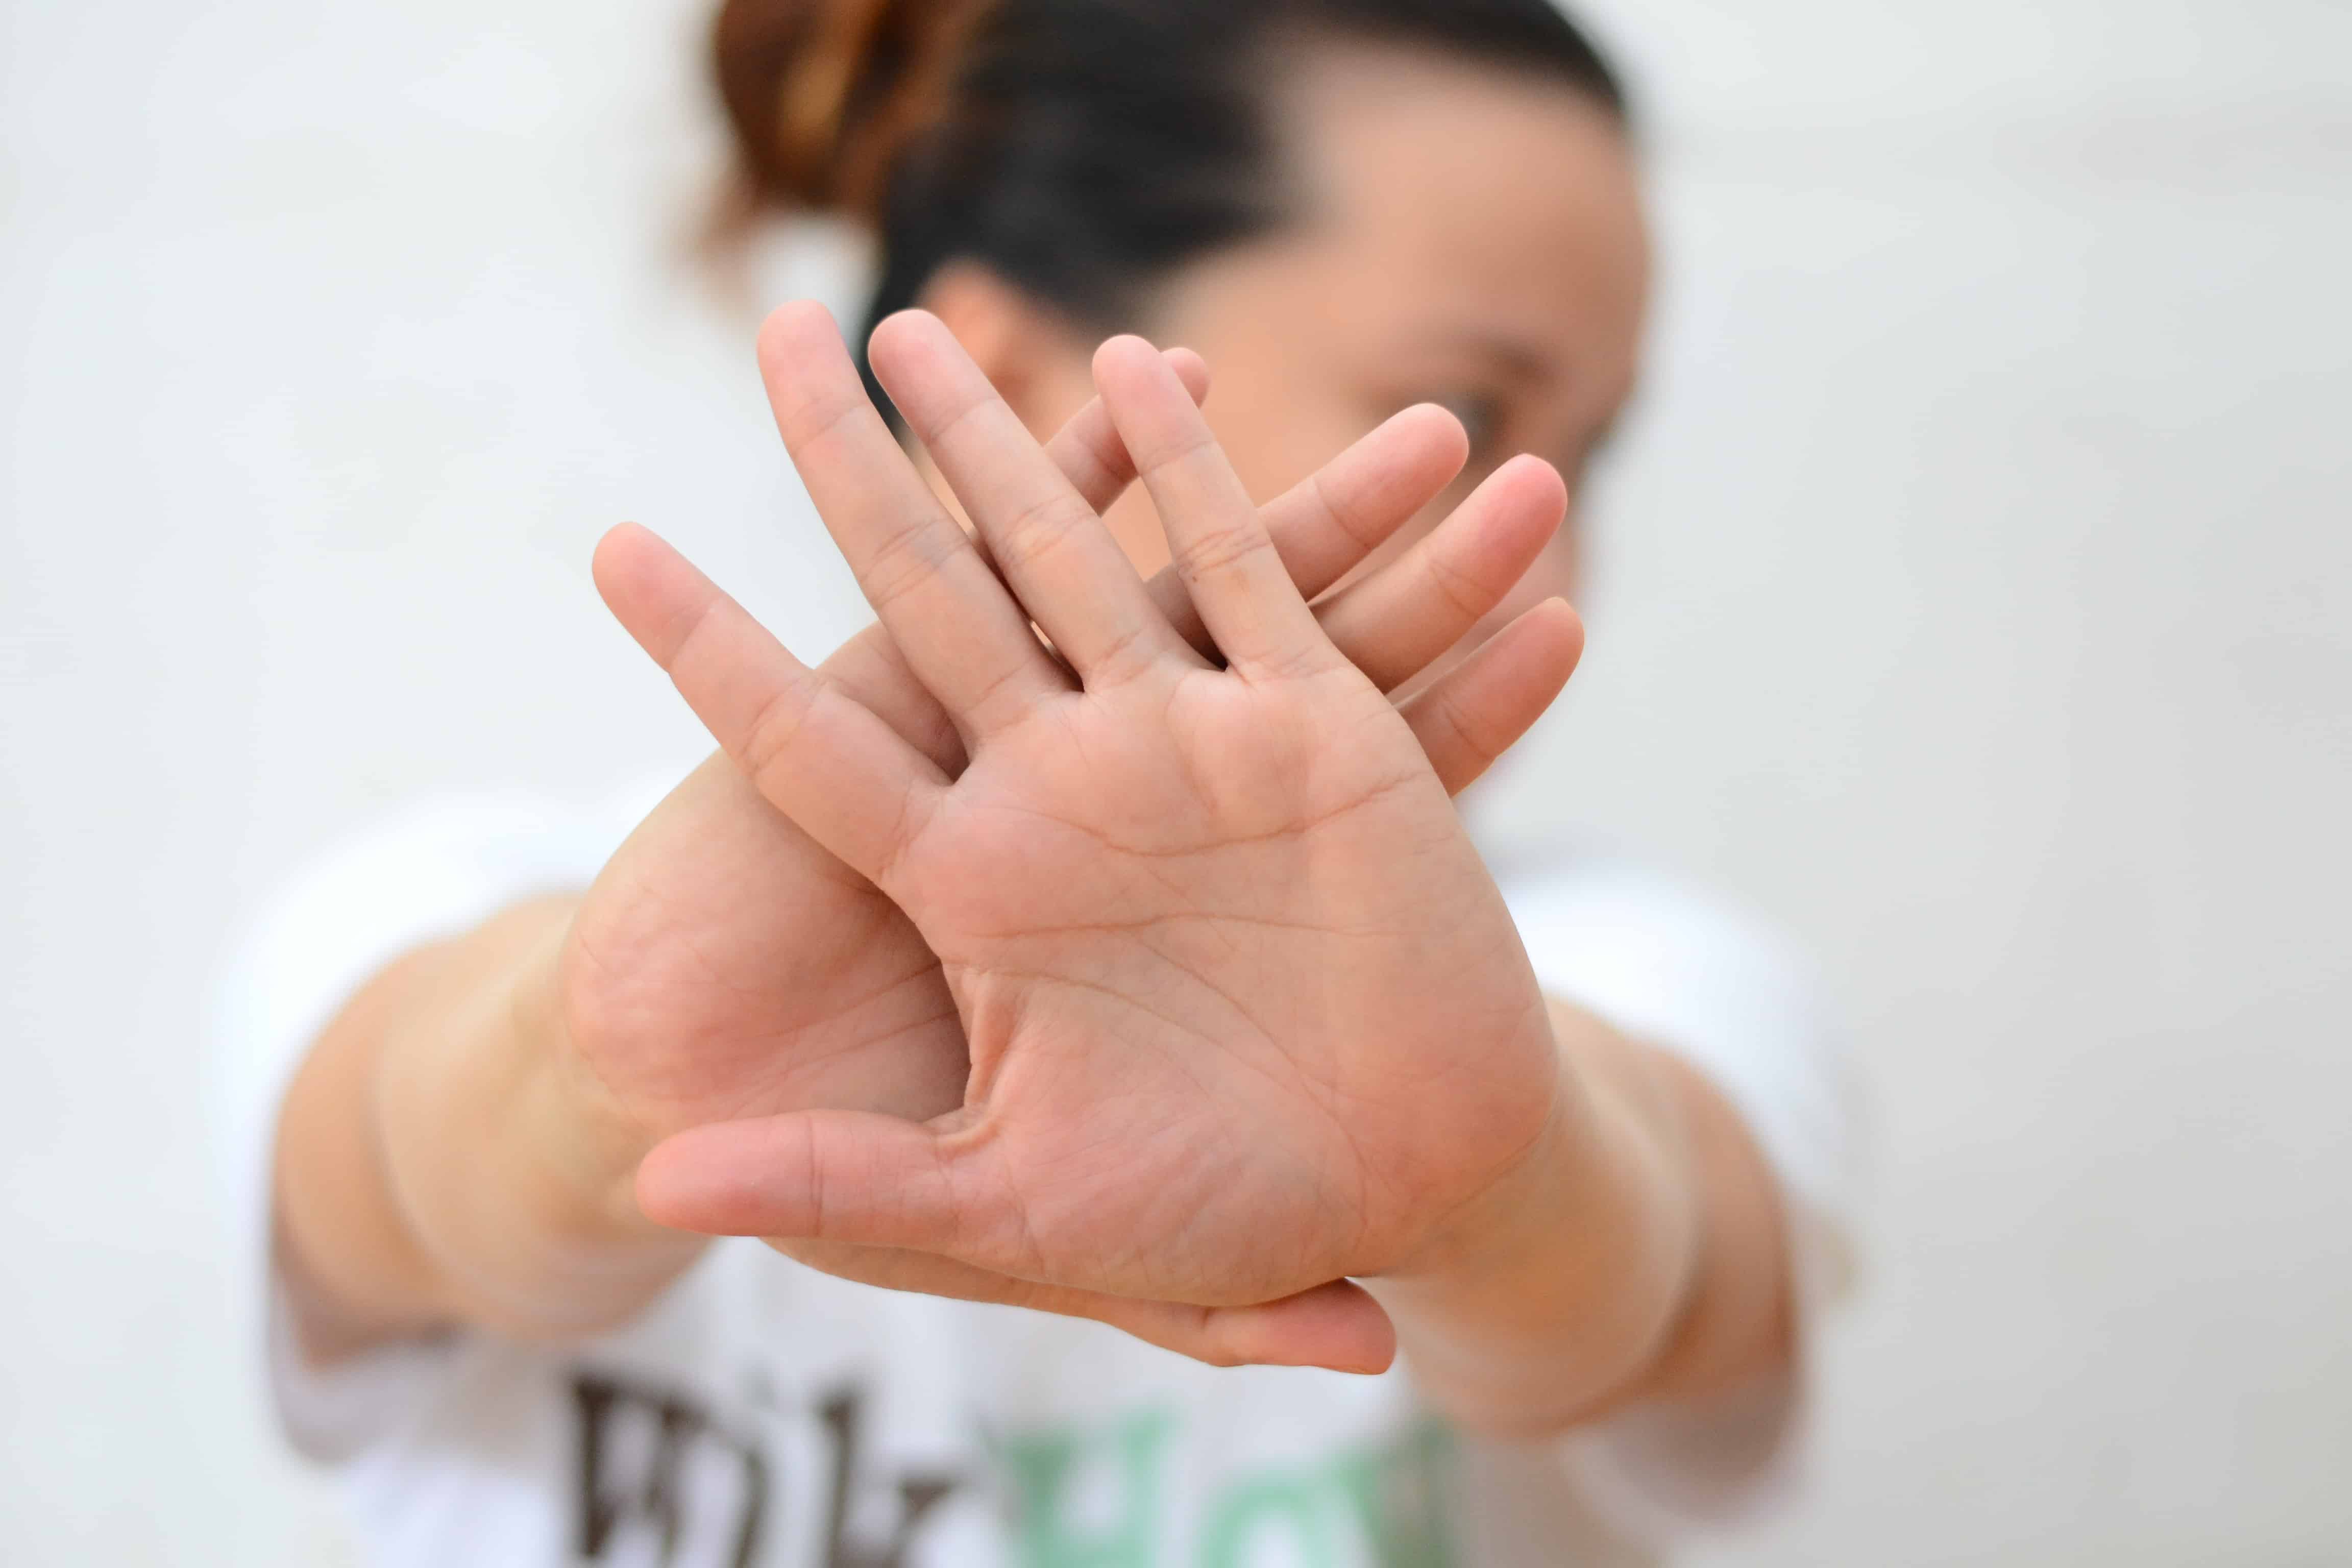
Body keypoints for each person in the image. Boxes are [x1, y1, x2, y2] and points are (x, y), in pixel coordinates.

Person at [217, 1, 1854, 1562]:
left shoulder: (1637, 972)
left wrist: (1498, 1197)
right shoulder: (460, 901)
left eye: (1596, 446)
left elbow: (1661, 1269)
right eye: (1474, 407)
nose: (1555, 539)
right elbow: (397, 1166)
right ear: (992, 384)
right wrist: (591, 1080)